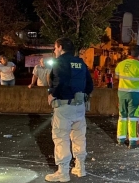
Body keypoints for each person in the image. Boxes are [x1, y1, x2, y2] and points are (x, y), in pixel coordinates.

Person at [45, 37, 93, 182]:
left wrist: (51, 94)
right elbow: (90, 85)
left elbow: (59, 82)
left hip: (64, 106)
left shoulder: (60, 62)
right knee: (79, 136)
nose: (54, 50)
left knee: (61, 137)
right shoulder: (80, 63)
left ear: (60, 47)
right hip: (79, 107)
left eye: (55, 47)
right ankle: (80, 167)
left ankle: (63, 173)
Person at [114, 45, 139, 149]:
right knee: (133, 118)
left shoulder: (120, 64)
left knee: (122, 116)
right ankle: (133, 142)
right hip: (134, 95)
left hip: (121, 94)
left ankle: (120, 140)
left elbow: (116, 77)